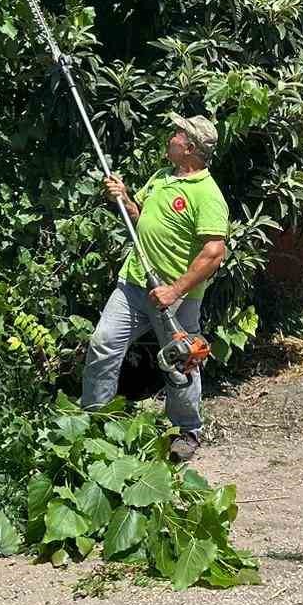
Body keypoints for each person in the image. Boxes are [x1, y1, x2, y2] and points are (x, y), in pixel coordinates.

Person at [82, 114, 230, 462]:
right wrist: (124, 198)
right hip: (134, 284)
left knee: (181, 362)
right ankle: (95, 420)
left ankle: (187, 431)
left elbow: (213, 254)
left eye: (178, 134)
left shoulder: (208, 195)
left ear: (190, 147)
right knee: (103, 344)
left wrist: (174, 291)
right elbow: (139, 216)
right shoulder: (162, 178)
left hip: (175, 299)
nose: (172, 137)